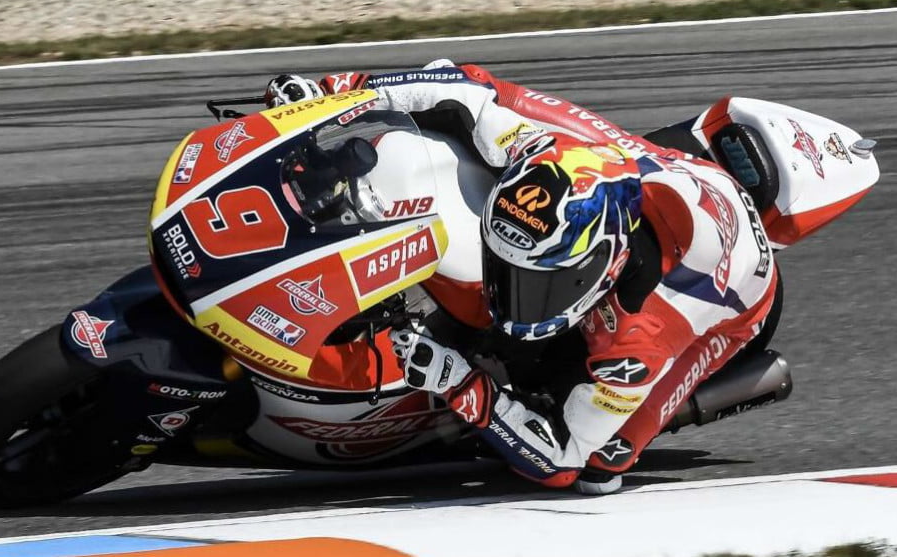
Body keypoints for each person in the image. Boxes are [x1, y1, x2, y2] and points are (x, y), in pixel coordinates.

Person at [263, 61, 779, 494]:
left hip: (732, 305)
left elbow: (561, 459)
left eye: (537, 285)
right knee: (469, 115)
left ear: (598, 268)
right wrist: (332, 95)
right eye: (504, 269)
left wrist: (457, 381)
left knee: (601, 465)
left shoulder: (640, 339)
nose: (509, 296)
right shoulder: (539, 149)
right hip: (657, 174)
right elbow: (461, 86)